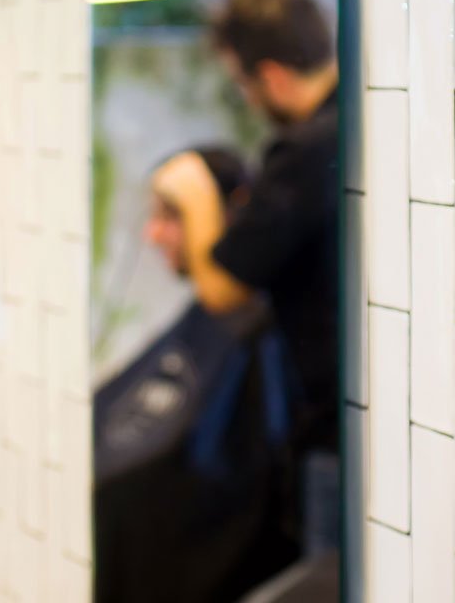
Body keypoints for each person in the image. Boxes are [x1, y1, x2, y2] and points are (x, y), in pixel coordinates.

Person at [171, 0, 340, 559]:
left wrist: (193, 194)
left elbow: (222, 289)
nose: (247, 98)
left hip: (332, 430)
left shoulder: (305, 151)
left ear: (271, 75)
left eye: (242, 84)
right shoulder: (358, 116)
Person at [93, 146, 298, 603]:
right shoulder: (213, 326)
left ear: (233, 210)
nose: (151, 233)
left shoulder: (258, 332)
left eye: (172, 214)